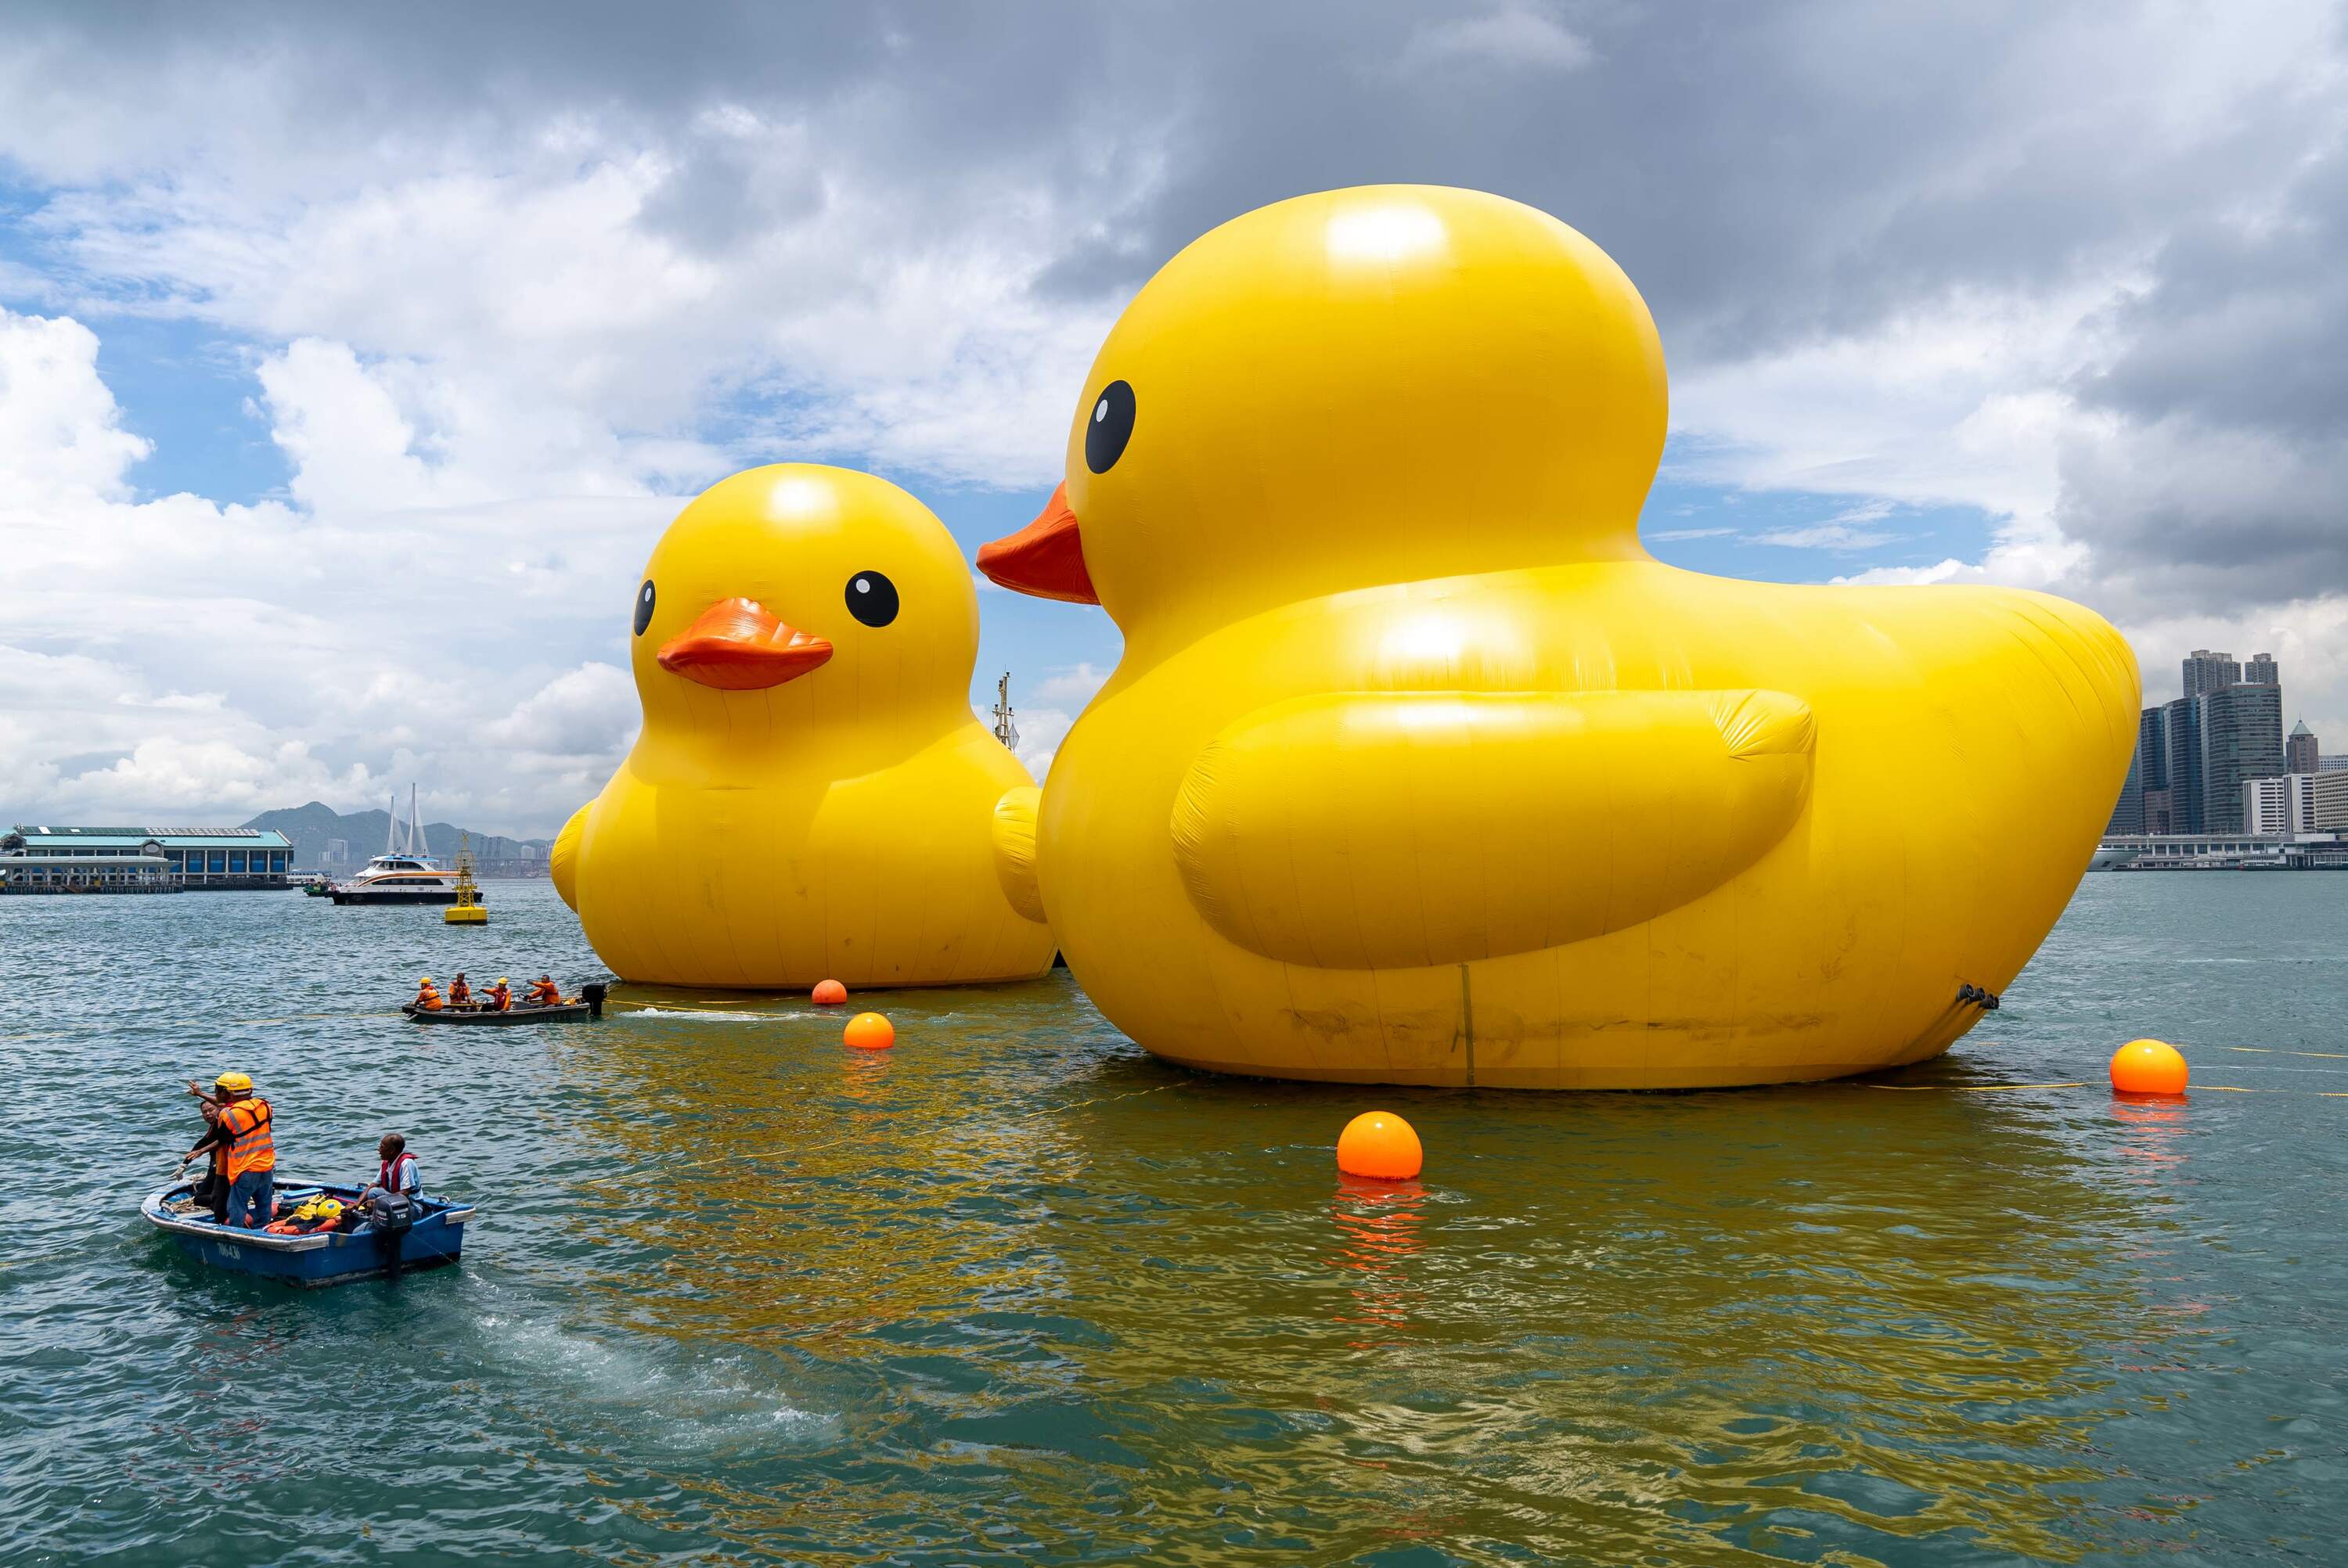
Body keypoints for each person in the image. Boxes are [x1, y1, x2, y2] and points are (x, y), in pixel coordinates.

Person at [208, 1071, 275, 1228]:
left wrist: (199, 1151)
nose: (217, 1093)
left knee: (237, 1206)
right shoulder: (265, 1106)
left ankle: (236, 1233)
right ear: (250, 1090)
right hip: (267, 1164)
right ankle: (263, 1231)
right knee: (264, 1204)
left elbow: (221, 1140)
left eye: (218, 1090)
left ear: (228, 1093)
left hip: (244, 1168)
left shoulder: (229, 1114)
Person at [366, 1133, 420, 1202]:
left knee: (380, 1203)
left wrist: (377, 1201)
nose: (379, 1150)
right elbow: (374, 1184)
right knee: (372, 1191)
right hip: (394, 1198)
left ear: (392, 1150)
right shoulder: (388, 1163)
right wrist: (357, 1204)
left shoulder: (406, 1163)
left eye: (382, 1147)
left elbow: (405, 1193)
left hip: (411, 1202)